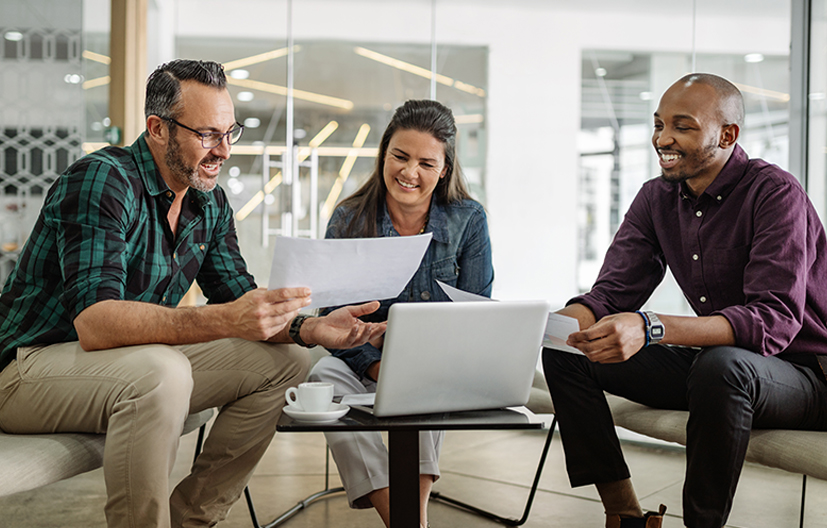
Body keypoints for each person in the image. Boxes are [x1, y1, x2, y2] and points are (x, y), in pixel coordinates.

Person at [0, 59, 384, 528]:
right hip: (26, 371)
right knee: (162, 369)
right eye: (207, 134)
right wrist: (225, 319)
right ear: (157, 129)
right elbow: (95, 323)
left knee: (287, 362)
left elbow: (239, 295)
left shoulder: (209, 201)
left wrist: (310, 328)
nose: (223, 151)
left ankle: (190, 520)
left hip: (128, 368)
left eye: (230, 133)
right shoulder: (103, 180)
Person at [543, 72, 827, 528]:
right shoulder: (657, 198)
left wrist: (650, 325)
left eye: (682, 126)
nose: (663, 138)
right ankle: (624, 516)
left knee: (724, 365)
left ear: (727, 134)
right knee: (568, 349)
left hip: (807, 378)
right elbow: (611, 294)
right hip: (721, 370)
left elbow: (772, 321)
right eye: (658, 124)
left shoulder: (775, 194)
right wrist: (555, 325)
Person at [307, 99, 494, 528]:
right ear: (384, 154)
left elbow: (477, 314)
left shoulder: (469, 220)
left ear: (444, 169)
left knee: (424, 381)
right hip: (365, 366)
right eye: (400, 157)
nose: (410, 173)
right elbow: (334, 318)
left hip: (435, 369)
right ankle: (405, 520)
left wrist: (413, 366)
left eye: (426, 163)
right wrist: (376, 369)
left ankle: (412, 519)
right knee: (321, 377)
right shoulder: (349, 218)